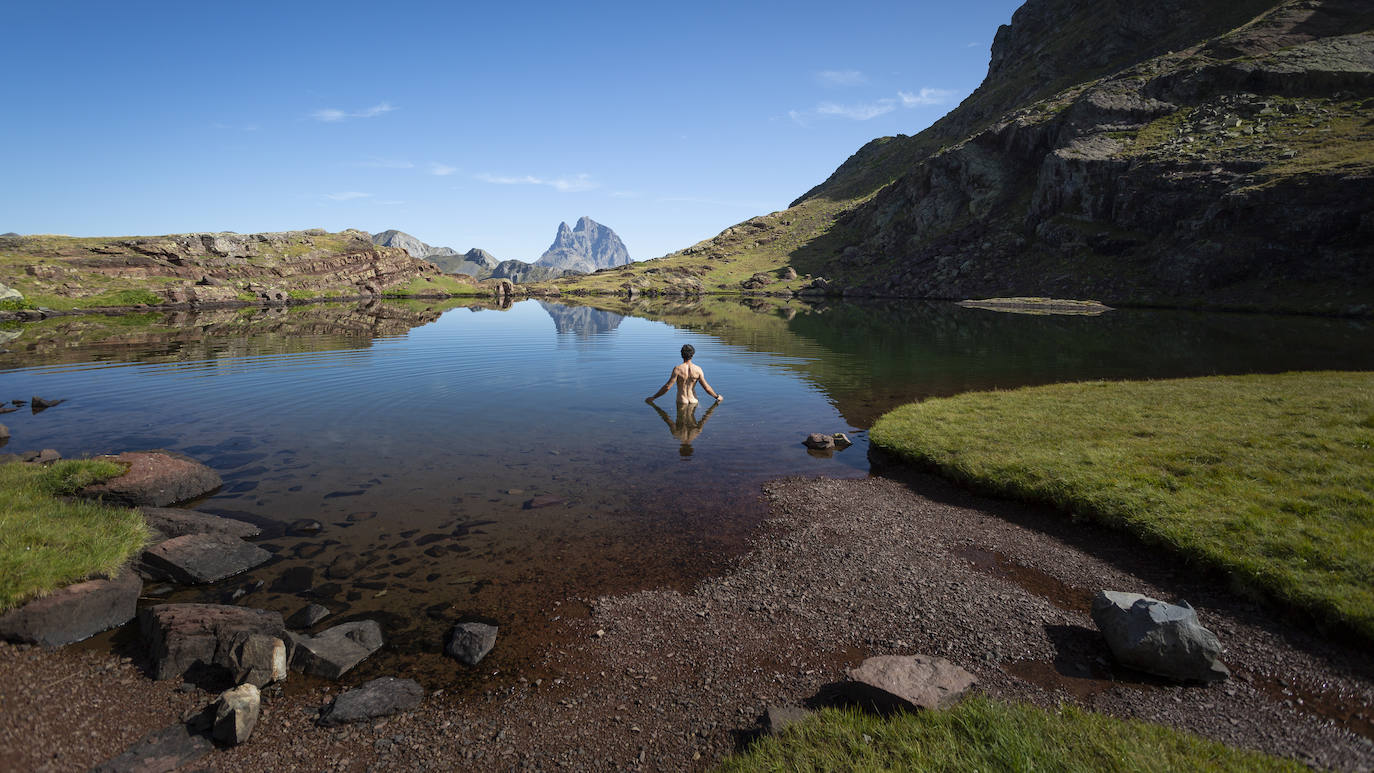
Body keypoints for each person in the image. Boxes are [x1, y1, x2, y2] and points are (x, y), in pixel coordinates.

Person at [646, 344, 722, 406]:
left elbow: (667, 387)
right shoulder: (698, 369)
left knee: (680, 424)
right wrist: (717, 396)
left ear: (682, 355)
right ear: (693, 355)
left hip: (682, 402)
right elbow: (707, 388)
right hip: (694, 401)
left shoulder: (678, 369)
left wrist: (653, 397)